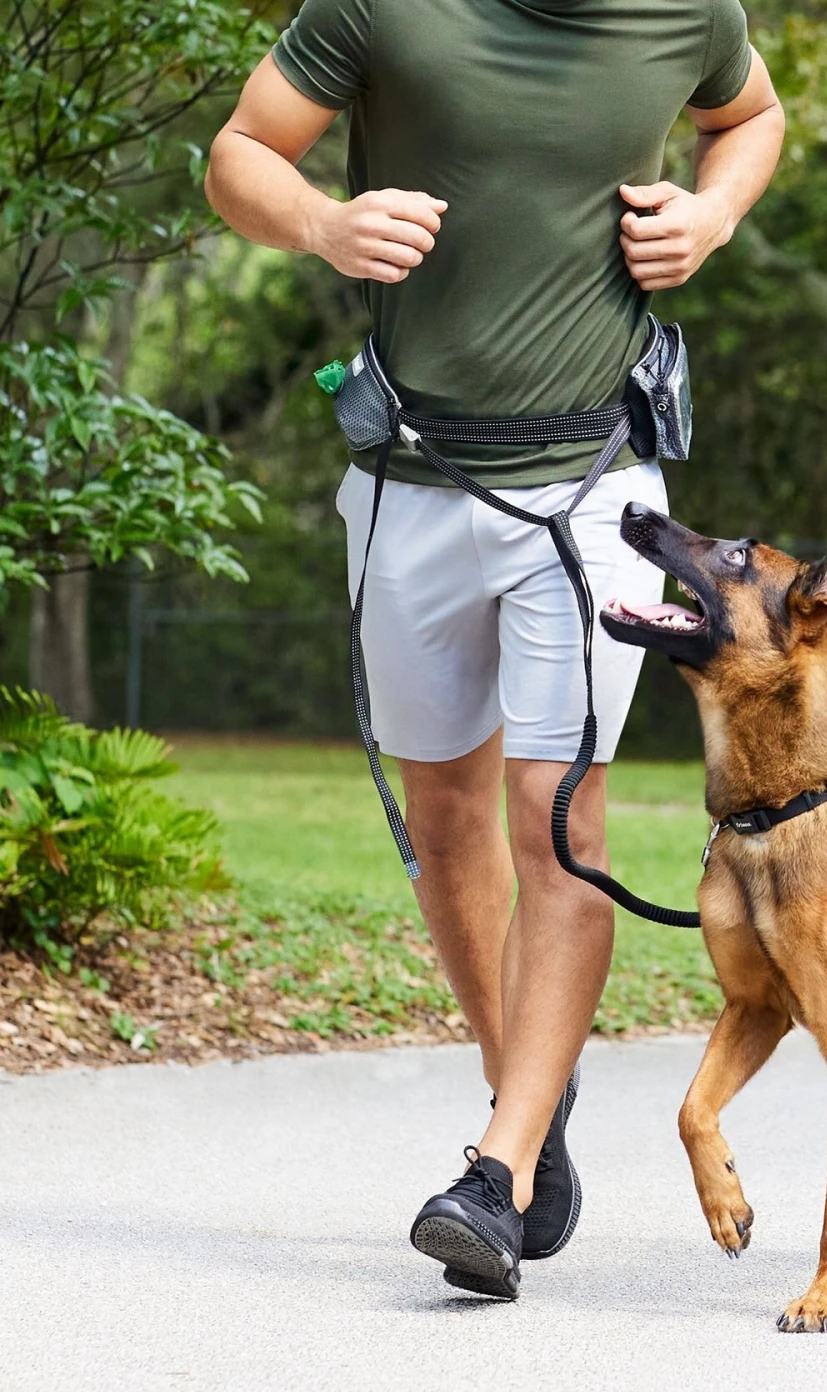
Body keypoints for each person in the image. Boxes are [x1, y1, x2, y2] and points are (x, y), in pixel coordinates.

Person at [206, 0, 784, 1299]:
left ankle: (498, 1167)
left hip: (592, 487)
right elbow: (242, 148)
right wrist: (322, 224)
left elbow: (751, 117)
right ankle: (529, 1092)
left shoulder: (687, 9)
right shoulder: (381, 7)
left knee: (554, 818)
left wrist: (713, 213)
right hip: (412, 475)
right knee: (450, 816)